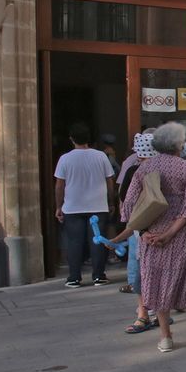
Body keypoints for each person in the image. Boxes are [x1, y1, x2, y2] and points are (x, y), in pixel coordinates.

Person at [120, 122, 186, 353]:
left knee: (156, 282)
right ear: (178, 144)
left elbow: (129, 205)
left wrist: (144, 233)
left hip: (151, 235)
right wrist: (170, 233)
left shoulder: (143, 168)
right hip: (183, 235)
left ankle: (166, 337)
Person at [54, 123, 117, 288]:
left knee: (74, 242)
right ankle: (99, 275)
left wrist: (58, 206)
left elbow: (59, 185)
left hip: (73, 207)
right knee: (97, 241)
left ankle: (74, 277)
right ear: (89, 139)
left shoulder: (65, 159)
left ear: (71, 139)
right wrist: (111, 202)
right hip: (98, 205)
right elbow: (109, 181)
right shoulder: (101, 156)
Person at [120, 131, 158, 333]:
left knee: (144, 271)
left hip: (145, 230)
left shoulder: (136, 171)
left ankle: (148, 314)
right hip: (155, 230)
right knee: (146, 272)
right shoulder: (142, 171)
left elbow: (125, 203)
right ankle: (146, 313)